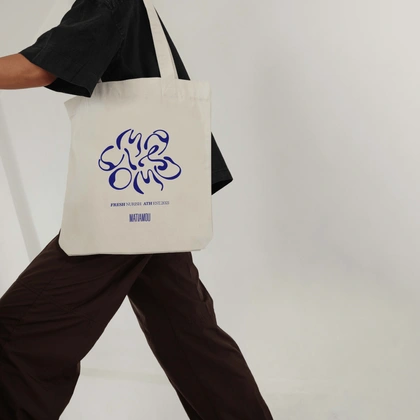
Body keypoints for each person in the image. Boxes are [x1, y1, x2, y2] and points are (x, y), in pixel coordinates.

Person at [0, 1, 274, 419]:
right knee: (190, 338)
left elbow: (42, 67)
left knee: (19, 335)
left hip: (127, 201)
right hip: (160, 198)